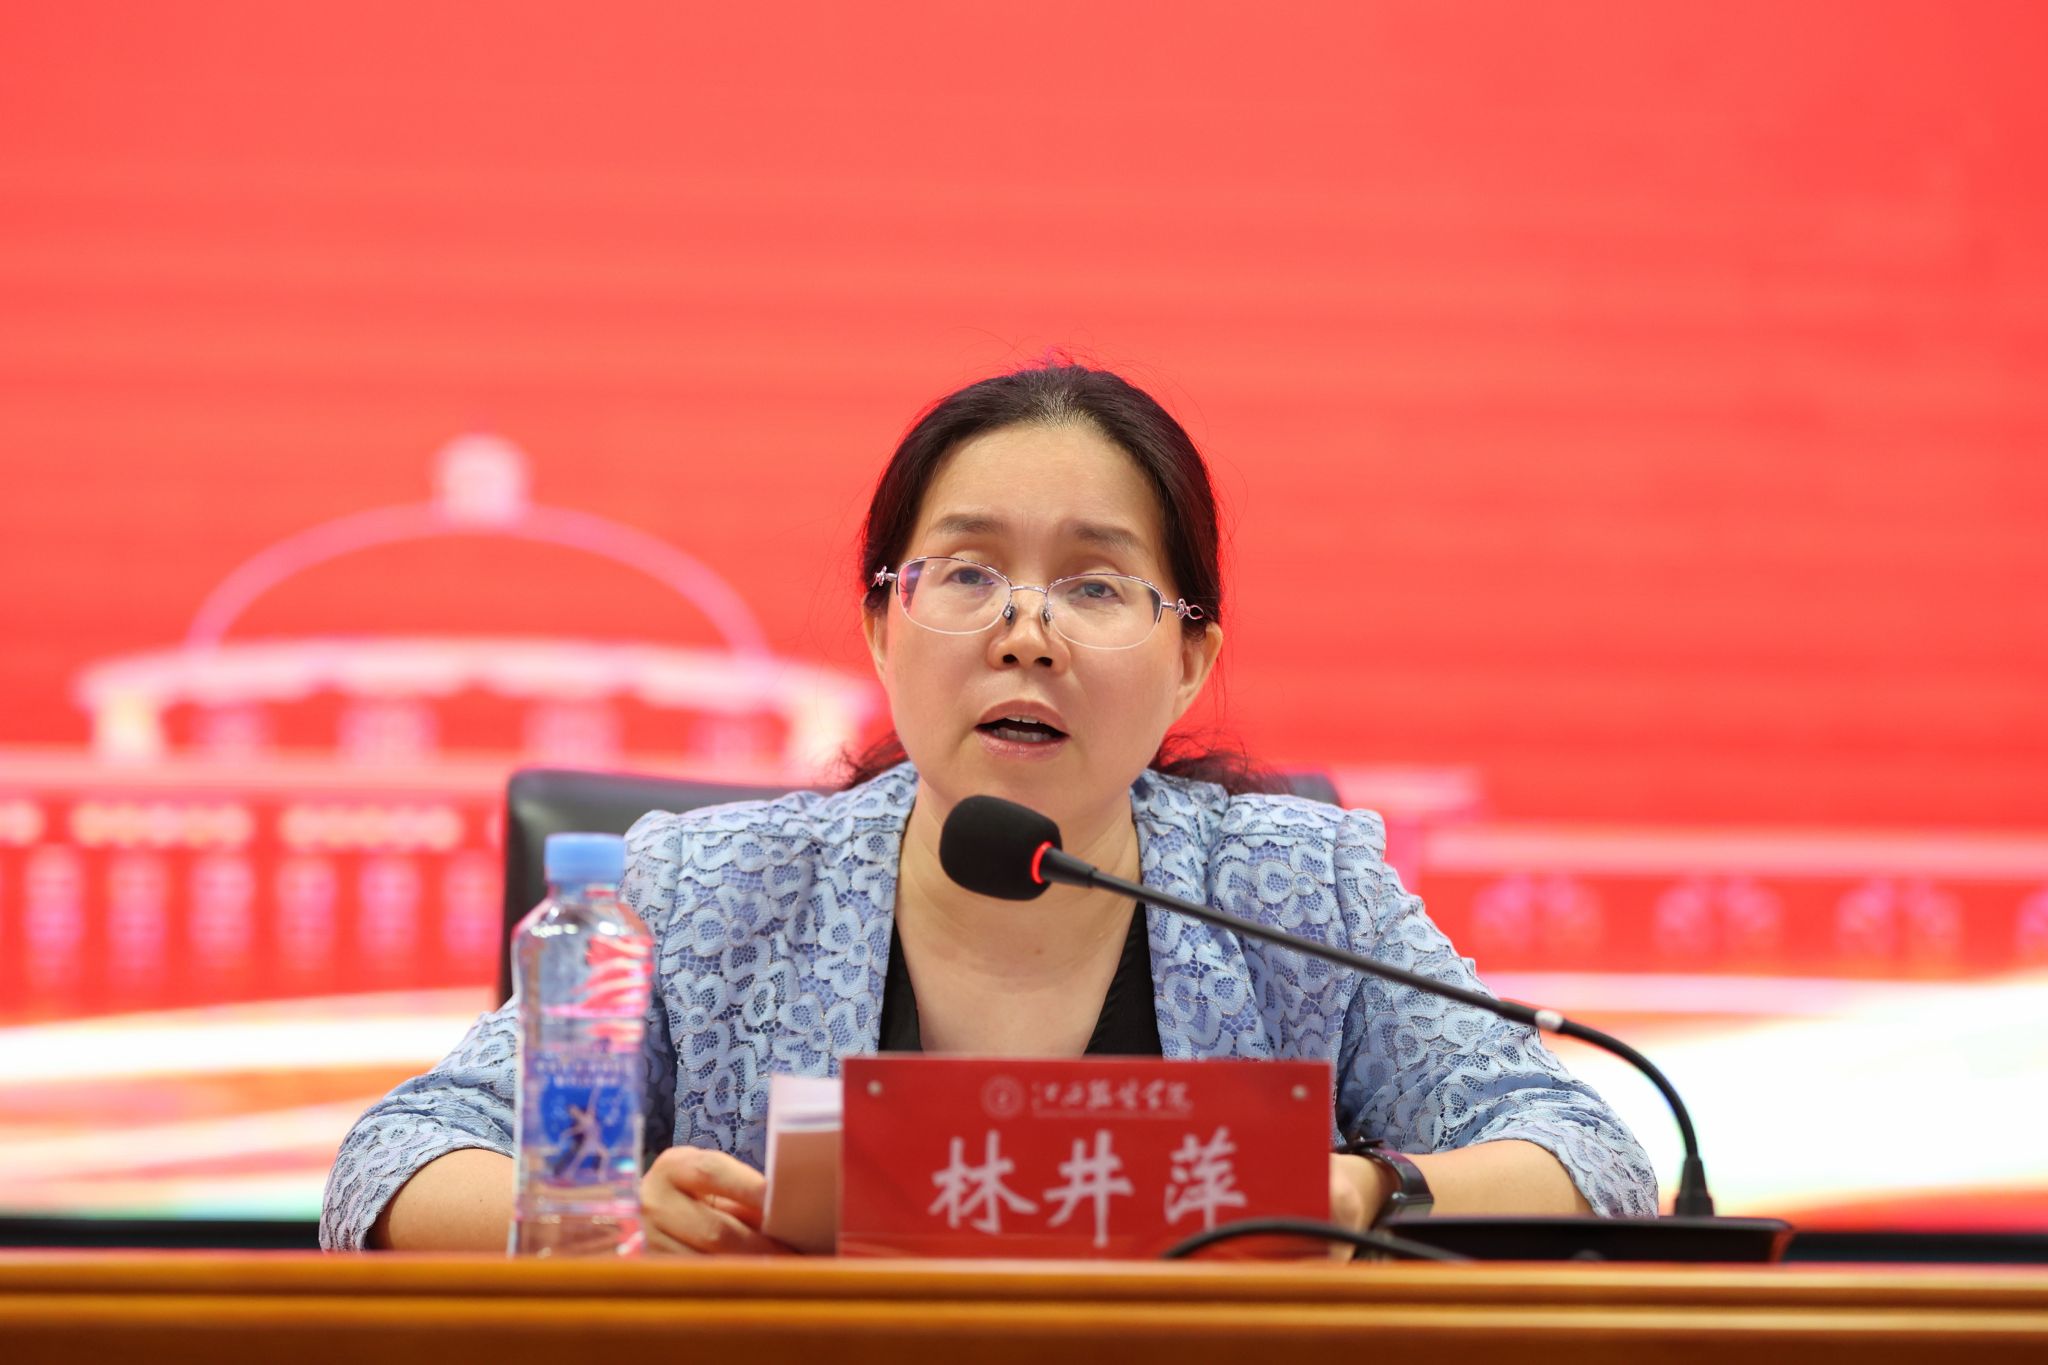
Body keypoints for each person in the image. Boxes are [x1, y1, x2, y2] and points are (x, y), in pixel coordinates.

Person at [321, 362, 1657, 1254]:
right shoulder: (711, 891)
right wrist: (613, 1232)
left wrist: (1361, 1188)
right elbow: (393, 1160)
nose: (1026, 632)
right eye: (965, 574)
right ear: (881, 628)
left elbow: (1591, 1157)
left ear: (1190, 657)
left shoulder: (1293, 890)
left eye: (1095, 585)